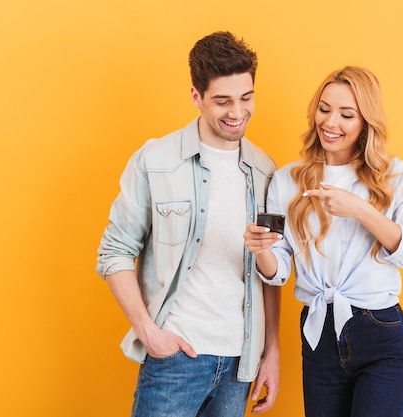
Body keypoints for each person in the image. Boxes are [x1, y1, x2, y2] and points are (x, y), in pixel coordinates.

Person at [96, 31, 280, 417]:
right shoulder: (155, 159)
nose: (237, 112)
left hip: (239, 365)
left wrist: (271, 354)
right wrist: (149, 333)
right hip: (175, 360)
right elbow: (114, 252)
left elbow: (269, 271)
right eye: (222, 101)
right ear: (196, 96)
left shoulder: (265, 171)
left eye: (246, 98)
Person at [244, 66, 403, 417]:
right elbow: (279, 270)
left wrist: (361, 209)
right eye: (324, 108)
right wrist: (261, 251)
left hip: (381, 335)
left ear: (365, 123)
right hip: (319, 338)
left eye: (347, 115)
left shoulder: (391, 175)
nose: (331, 123)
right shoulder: (287, 179)